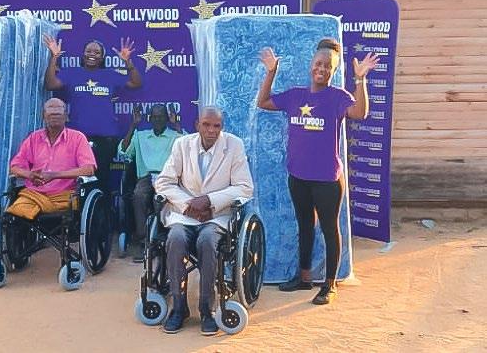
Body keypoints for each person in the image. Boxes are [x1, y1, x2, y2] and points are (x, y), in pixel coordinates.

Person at [257, 38, 379, 305]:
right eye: (319, 64)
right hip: (298, 177)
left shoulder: (338, 97)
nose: (322, 69)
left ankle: (329, 284)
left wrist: (360, 80)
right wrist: (271, 71)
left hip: (327, 180)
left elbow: (360, 112)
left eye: (328, 66)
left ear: (334, 71)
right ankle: (303, 278)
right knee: (304, 226)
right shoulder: (295, 95)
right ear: (311, 64)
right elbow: (262, 101)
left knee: (329, 229)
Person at [155, 106, 254, 335]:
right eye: (206, 125)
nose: (211, 130)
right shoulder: (182, 144)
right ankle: (179, 307)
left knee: (207, 242)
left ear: (222, 127)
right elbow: (163, 182)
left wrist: (209, 201)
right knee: (175, 239)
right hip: (184, 214)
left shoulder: (234, 145)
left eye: (216, 126)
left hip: (217, 216)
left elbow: (245, 187)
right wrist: (189, 205)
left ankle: (206, 308)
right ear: (197, 125)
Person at [43, 36, 142, 197]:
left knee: (102, 181)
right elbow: (50, 84)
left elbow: (136, 84)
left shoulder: (110, 75)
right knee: (75, 181)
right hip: (77, 138)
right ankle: (77, 212)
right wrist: (54, 57)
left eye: (97, 52)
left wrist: (128, 62)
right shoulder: (72, 73)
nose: (92, 54)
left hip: (105, 138)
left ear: (102, 58)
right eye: (89, 51)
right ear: (83, 54)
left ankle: (101, 212)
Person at [7, 98, 97, 220]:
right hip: (34, 195)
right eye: (50, 113)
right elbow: (14, 168)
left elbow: (89, 169)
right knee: (12, 217)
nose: (54, 116)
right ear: (43, 116)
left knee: (70, 210)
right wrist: (30, 175)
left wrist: (54, 175)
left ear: (66, 117)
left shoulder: (78, 138)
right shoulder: (34, 138)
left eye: (58, 114)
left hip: (64, 195)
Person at [118, 103, 183, 262]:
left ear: (167, 118)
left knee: (159, 201)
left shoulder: (175, 136)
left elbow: (188, 148)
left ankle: (162, 239)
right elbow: (123, 151)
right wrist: (133, 125)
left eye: (161, 117)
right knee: (138, 196)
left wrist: (176, 124)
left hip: (167, 177)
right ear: (149, 118)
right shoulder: (140, 136)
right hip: (146, 177)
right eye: (154, 117)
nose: (158, 120)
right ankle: (144, 242)